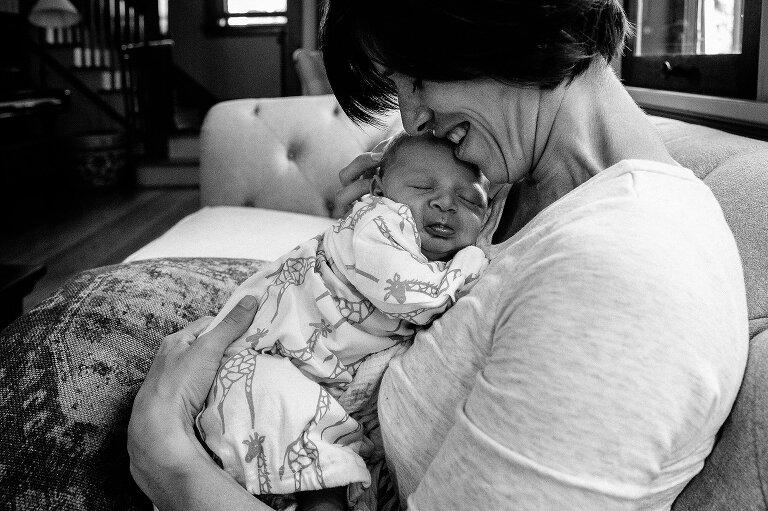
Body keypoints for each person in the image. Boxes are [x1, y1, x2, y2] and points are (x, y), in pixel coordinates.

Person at [128, 1, 749, 510]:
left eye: (419, 78)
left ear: (523, 25)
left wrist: (172, 466)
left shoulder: (616, 275)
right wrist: (363, 244)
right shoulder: (519, 187)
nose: (412, 115)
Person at [193, 133, 489, 508]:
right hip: (267, 358)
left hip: (316, 374)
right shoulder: (377, 221)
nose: (445, 203)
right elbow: (413, 298)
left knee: (340, 450)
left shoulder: (432, 252)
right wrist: (472, 262)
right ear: (378, 188)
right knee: (282, 417)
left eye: (469, 200)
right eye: (421, 186)